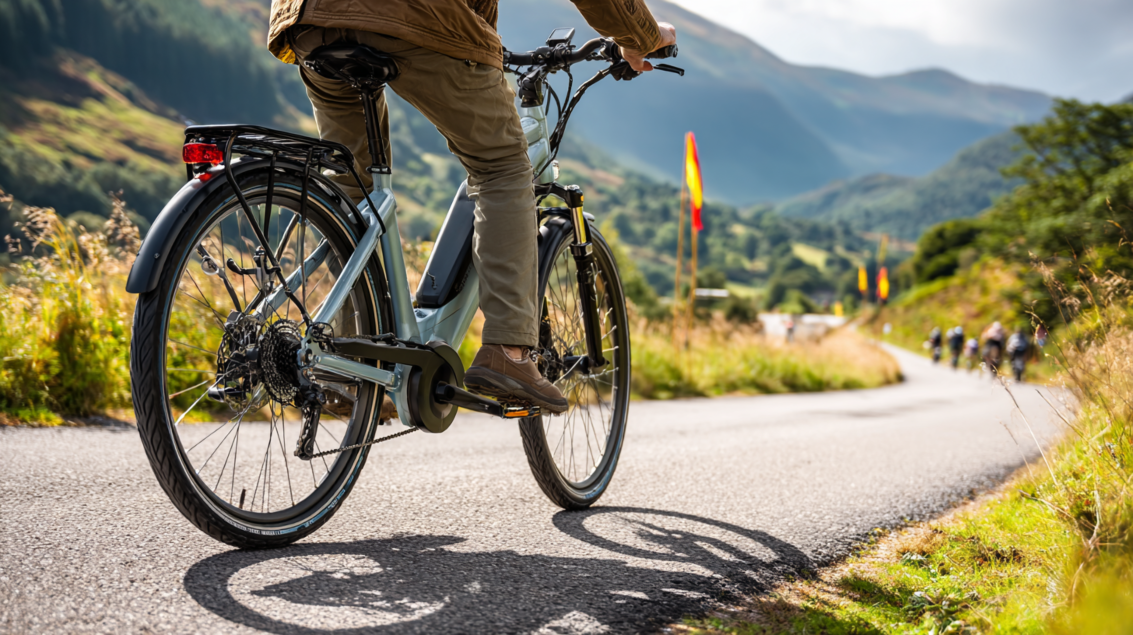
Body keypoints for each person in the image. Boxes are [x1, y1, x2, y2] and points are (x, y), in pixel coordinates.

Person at [266, 0, 677, 413]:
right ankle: (510, 353)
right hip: (411, 13)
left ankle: (354, 358)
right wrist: (641, 36)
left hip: (308, 19)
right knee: (502, 168)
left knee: (354, 189)